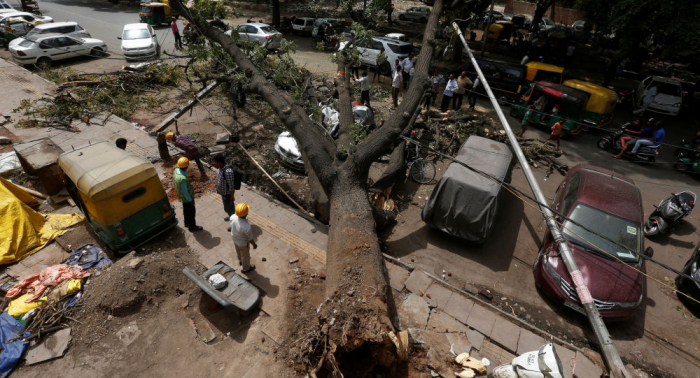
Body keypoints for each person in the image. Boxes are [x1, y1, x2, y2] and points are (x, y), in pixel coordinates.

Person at [174, 157, 203, 232]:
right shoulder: (182, 178)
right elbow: (185, 191)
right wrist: (190, 200)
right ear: (186, 167)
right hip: (187, 198)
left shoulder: (176, 170)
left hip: (182, 198)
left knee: (186, 211)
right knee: (191, 212)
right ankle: (192, 227)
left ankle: (187, 223)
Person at [230, 203, 258, 273]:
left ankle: (240, 261)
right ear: (246, 213)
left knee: (238, 251)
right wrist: (254, 244)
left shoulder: (233, 217)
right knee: (245, 256)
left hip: (235, 238)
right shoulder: (246, 227)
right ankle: (246, 268)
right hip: (242, 243)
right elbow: (250, 238)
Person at [213, 154, 239, 225]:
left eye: (215, 162)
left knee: (229, 208)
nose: (214, 163)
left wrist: (232, 196)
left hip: (227, 194)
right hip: (223, 192)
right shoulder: (220, 168)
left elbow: (231, 186)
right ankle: (231, 216)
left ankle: (234, 224)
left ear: (219, 162)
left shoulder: (228, 172)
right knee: (228, 208)